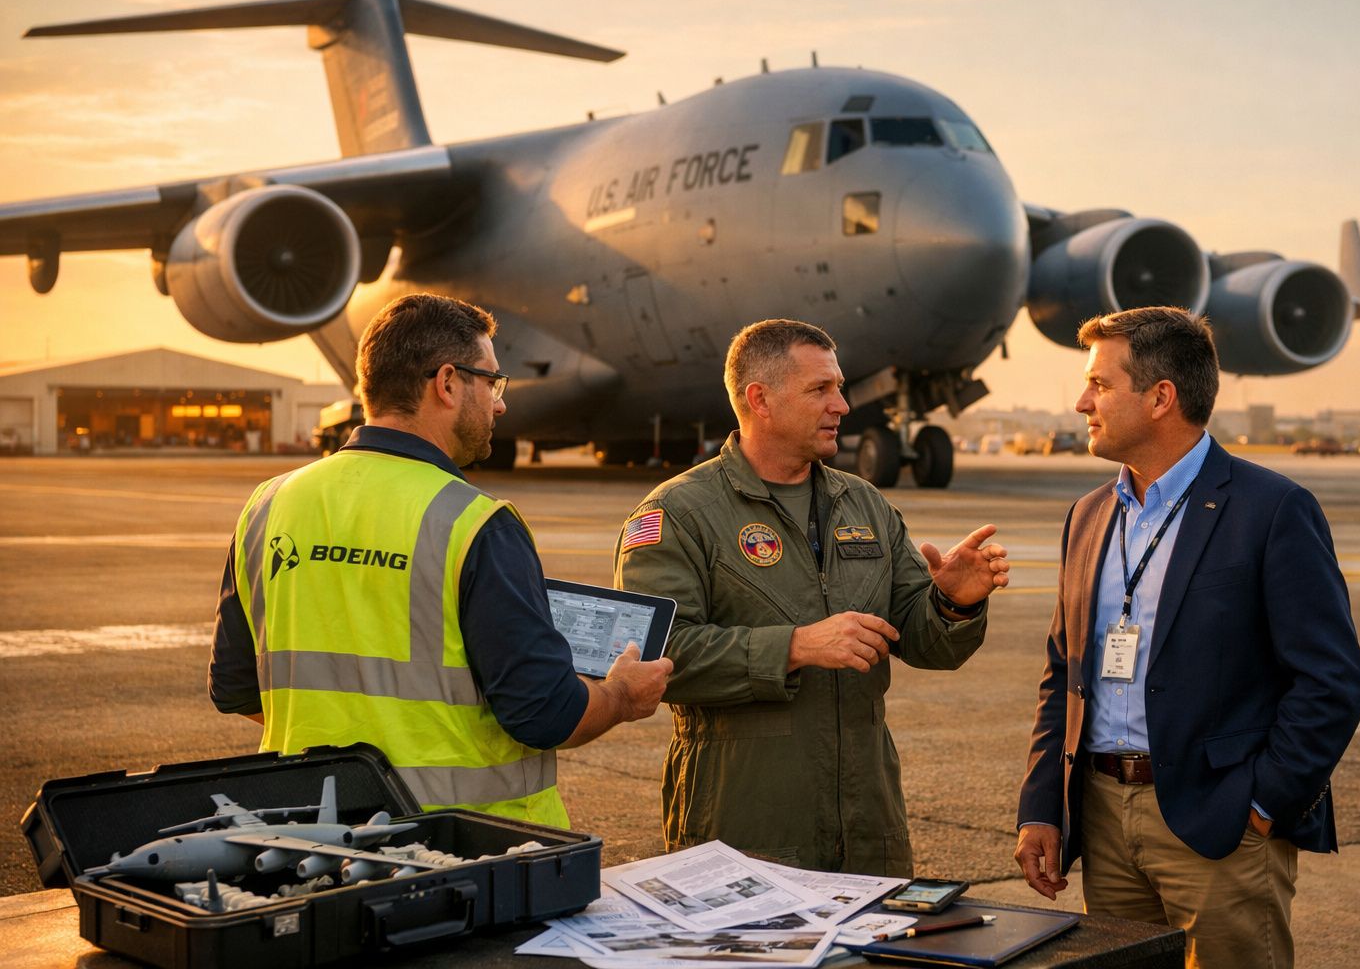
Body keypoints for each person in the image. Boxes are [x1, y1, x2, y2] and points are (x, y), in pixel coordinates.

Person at [209, 293, 671, 827]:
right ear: (447, 383)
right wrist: (621, 695)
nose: (500, 404)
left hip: (311, 835)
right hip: (467, 841)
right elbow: (545, 715)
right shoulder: (474, 523)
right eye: (492, 382)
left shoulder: (268, 505)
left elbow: (235, 689)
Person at [1013, 306, 1360, 969]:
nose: (1082, 402)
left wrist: (1261, 806)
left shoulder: (1271, 509)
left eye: (1100, 384)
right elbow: (1063, 673)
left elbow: (1331, 681)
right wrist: (1042, 808)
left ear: (1160, 398)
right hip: (1102, 817)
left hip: (1219, 825)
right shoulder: (1088, 514)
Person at [614, 318, 1009, 875]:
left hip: (869, 831)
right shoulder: (678, 514)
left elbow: (927, 644)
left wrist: (953, 603)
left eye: (839, 387)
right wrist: (794, 648)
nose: (842, 405)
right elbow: (652, 659)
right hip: (744, 831)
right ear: (760, 400)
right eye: (820, 389)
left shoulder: (865, 505)